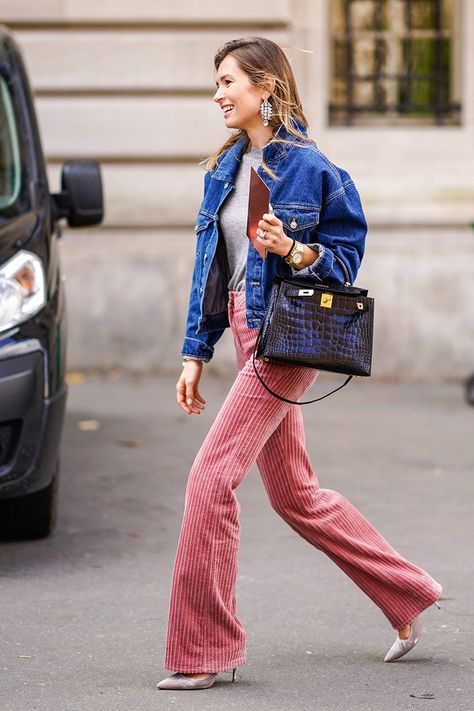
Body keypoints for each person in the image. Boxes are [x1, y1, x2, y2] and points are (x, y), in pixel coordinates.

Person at [157, 36, 442, 691]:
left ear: (266, 87)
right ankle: (409, 595)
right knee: (296, 495)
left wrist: (295, 247)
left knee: (209, 478)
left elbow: (345, 257)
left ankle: (206, 647)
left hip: (288, 335)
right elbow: (213, 269)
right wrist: (193, 354)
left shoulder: (311, 169)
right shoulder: (225, 167)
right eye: (216, 84)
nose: (219, 94)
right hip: (243, 328)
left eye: (229, 81)